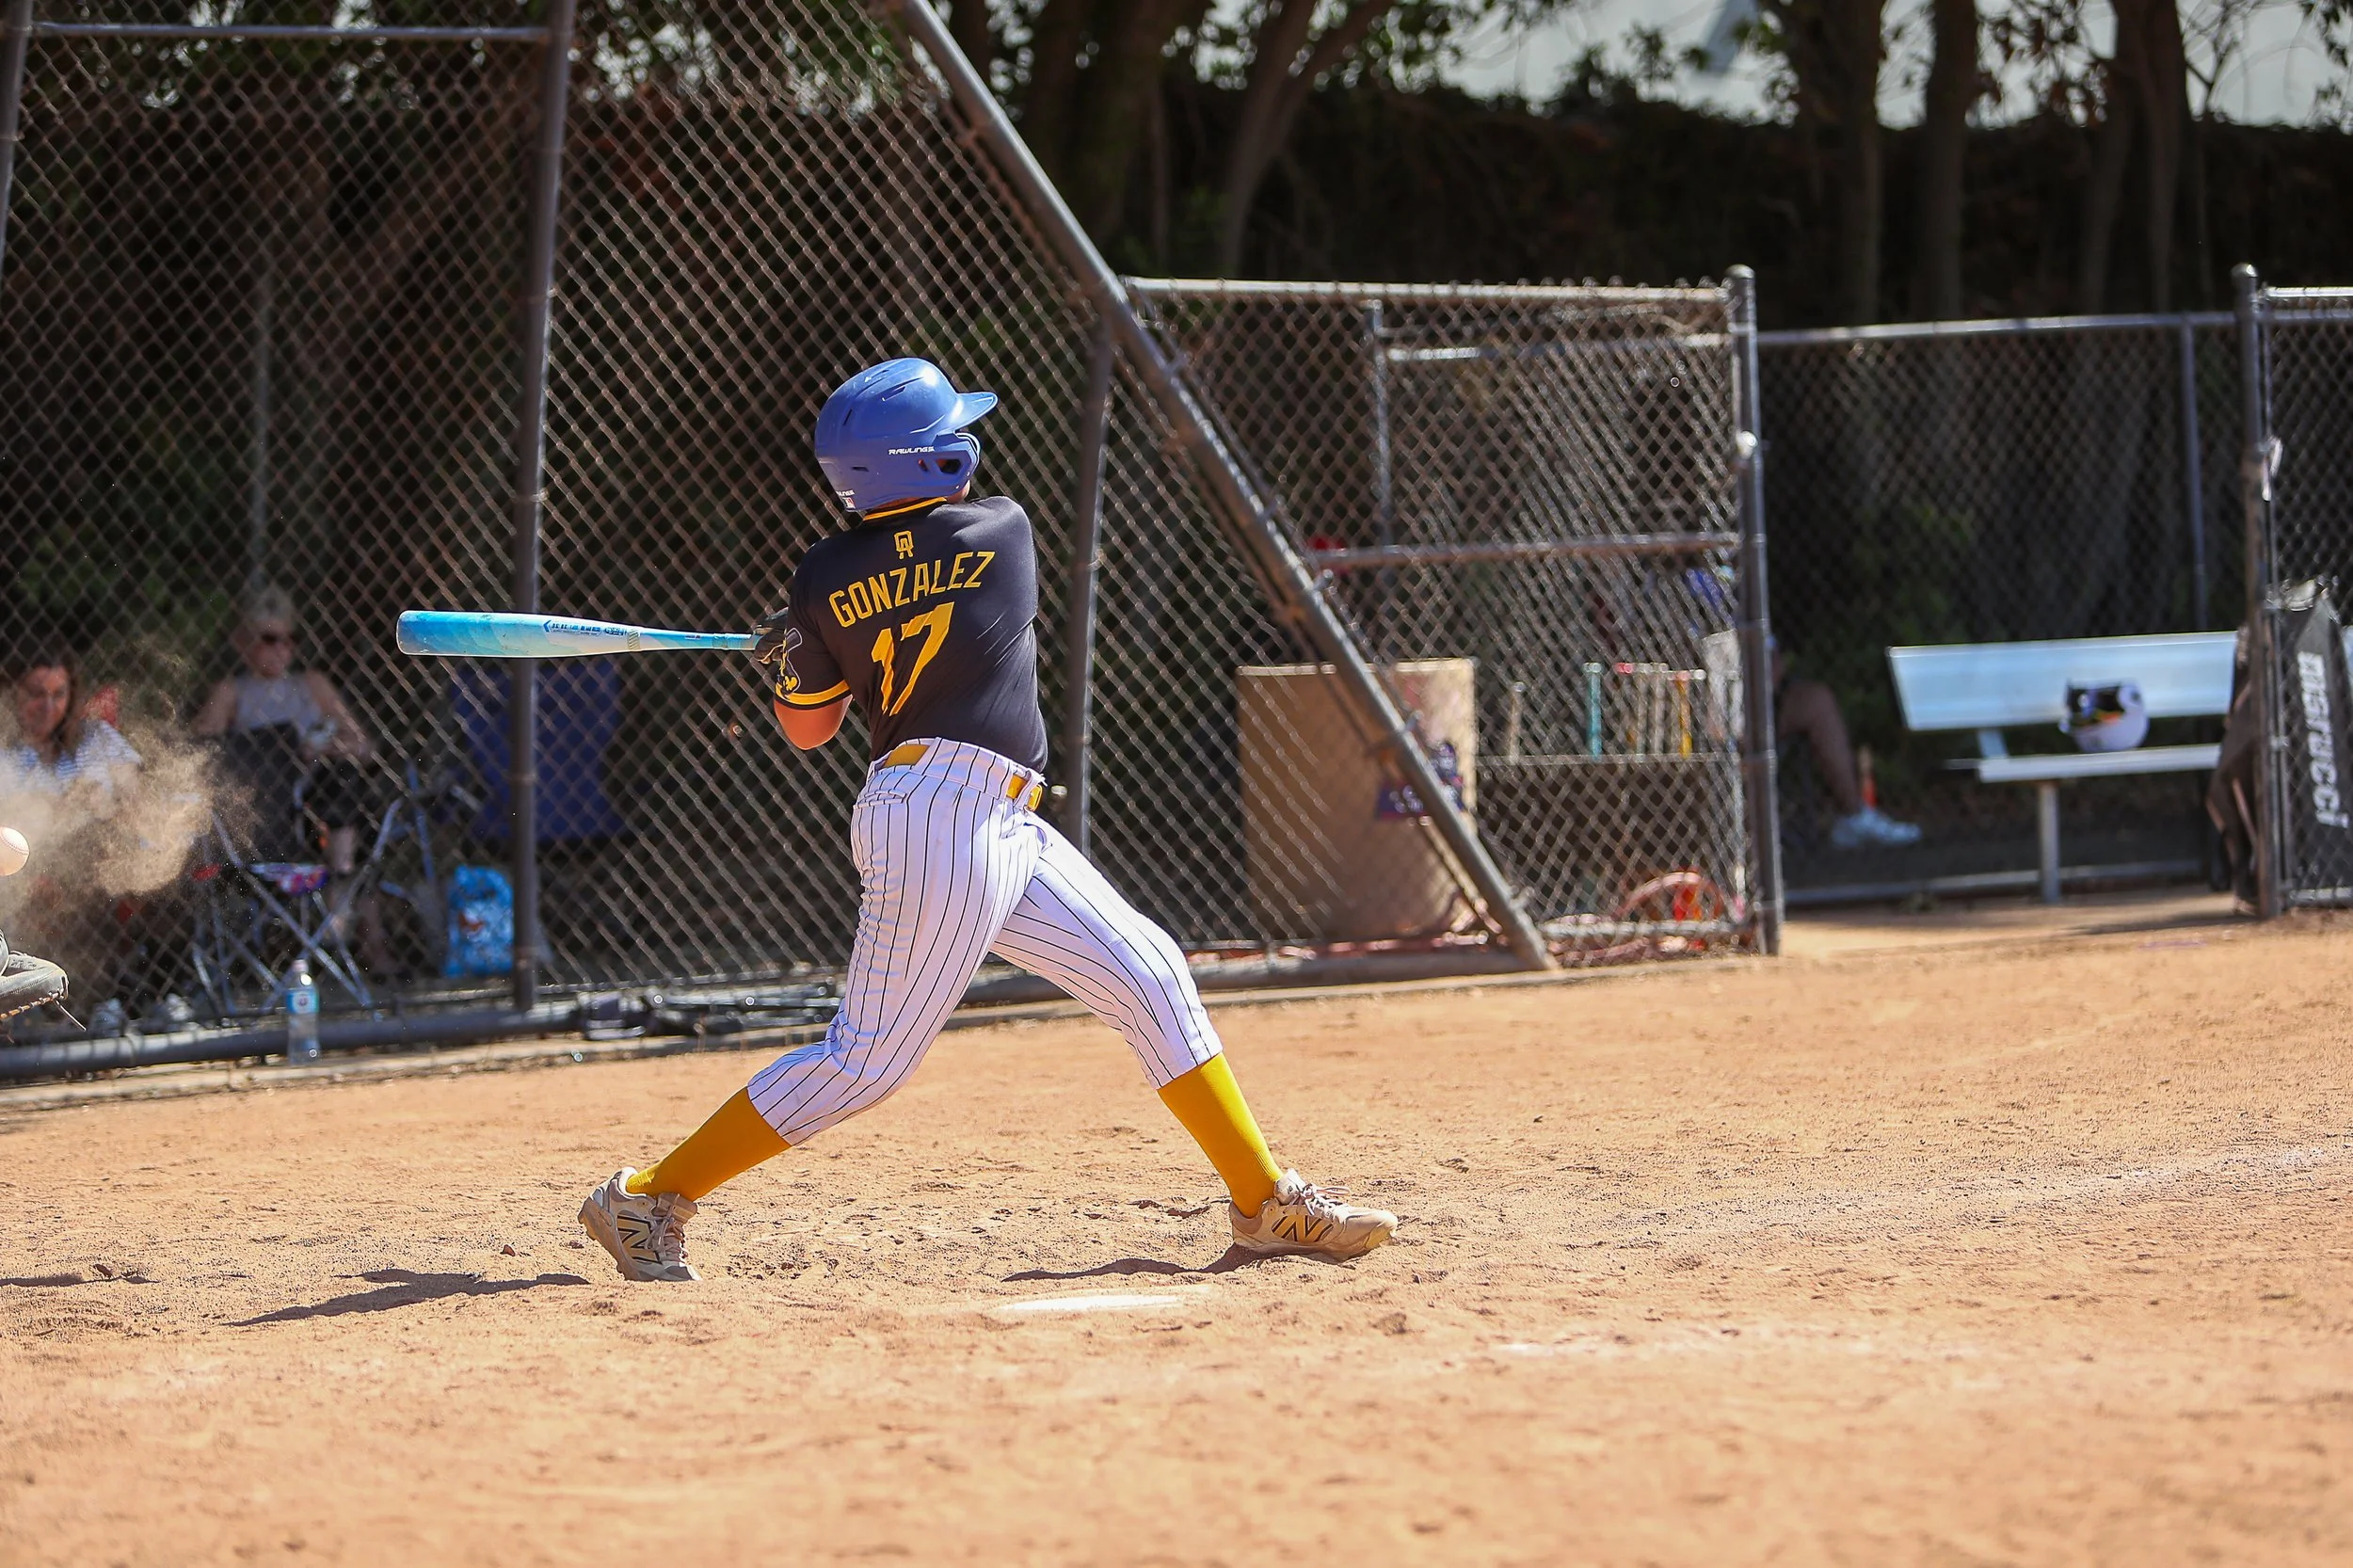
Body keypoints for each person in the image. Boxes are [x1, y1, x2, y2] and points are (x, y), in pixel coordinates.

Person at [578, 358, 1398, 1282]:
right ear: (923, 463)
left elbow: (809, 729)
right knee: (865, 1063)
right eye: (948, 435)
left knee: (1149, 971)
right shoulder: (999, 529)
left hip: (983, 818)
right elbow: (927, 601)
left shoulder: (822, 573)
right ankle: (648, 1195)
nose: (965, 444)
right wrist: (810, 636)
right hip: (943, 822)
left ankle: (1263, 1205)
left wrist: (796, 651)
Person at [194, 584, 378, 876]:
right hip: (264, 802)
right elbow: (204, 751)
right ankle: (338, 881)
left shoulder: (313, 684)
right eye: (270, 639)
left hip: (317, 797)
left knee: (344, 778)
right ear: (244, 640)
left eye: (290, 639)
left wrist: (326, 748)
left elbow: (364, 746)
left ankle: (341, 882)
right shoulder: (231, 691)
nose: (283, 648)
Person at [0, 648, 144, 1014]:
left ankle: (164, 995)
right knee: (84, 852)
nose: (48, 705)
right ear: (14, 694)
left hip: (117, 855)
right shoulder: (5, 755)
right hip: (42, 865)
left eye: (58, 694)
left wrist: (109, 806)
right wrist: (62, 807)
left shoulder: (96, 739)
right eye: (36, 693)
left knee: (165, 857)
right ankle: (97, 1004)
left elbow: (139, 800)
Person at [1774, 644, 1922, 850]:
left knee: (1818, 700)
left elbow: (1773, 666)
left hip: (1763, 708)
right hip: (1724, 713)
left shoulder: (1751, 618)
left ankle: (1854, 815)